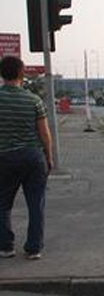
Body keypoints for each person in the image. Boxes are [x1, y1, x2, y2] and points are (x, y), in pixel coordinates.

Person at [0, 56, 53, 260]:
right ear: (22, 73)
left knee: (3, 204)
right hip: (33, 157)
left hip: (4, 158)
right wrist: (49, 157)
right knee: (36, 204)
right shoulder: (34, 100)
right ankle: (34, 248)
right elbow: (45, 134)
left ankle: (6, 246)